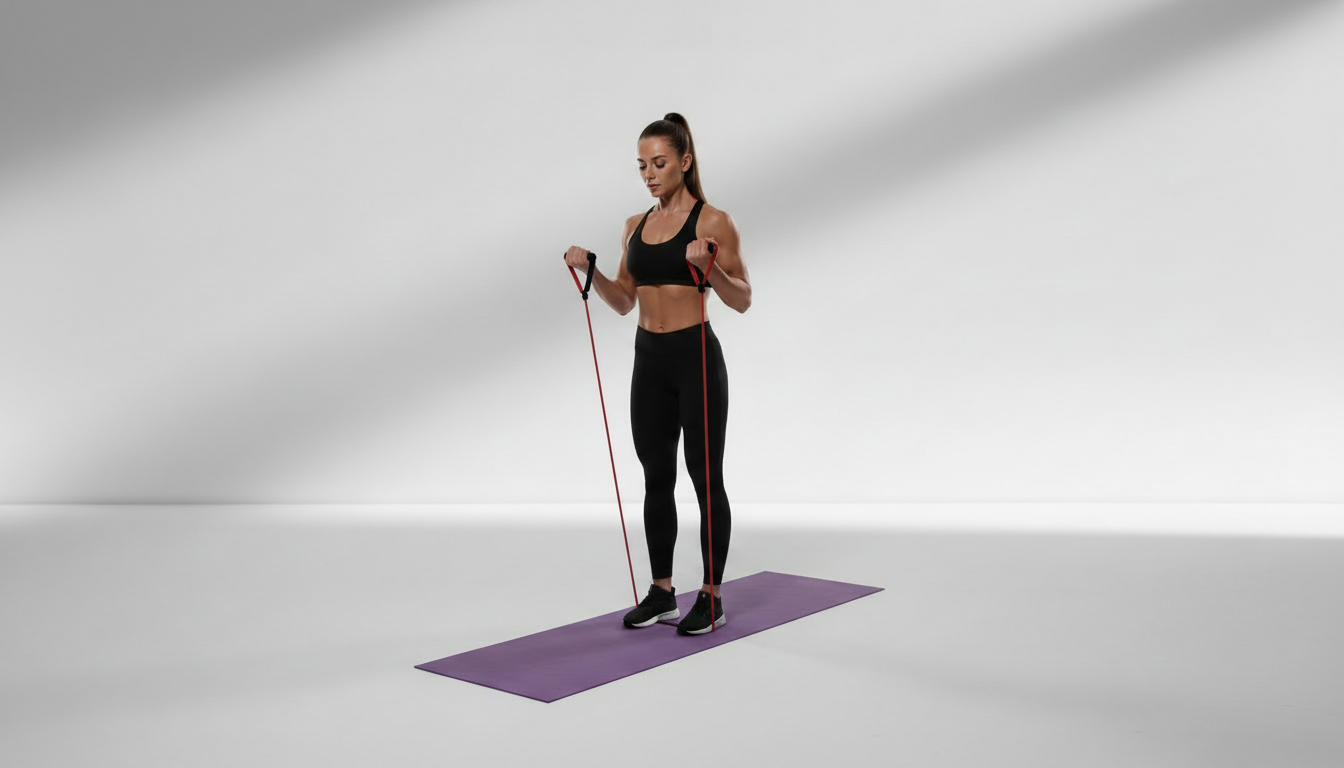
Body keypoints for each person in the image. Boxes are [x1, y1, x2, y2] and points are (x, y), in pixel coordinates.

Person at [564, 113, 752, 635]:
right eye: (642, 165)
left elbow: (743, 299)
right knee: (656, 477)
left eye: (659, 163)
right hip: (648, 359)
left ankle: (711, 597)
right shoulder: (634, 226)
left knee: (704, 476)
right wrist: (592, 271)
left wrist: (710, 270)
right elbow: (625, 300)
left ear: (685, 162)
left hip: (695, 357)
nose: (649, 174)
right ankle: (663, 591)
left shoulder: (714, 222)